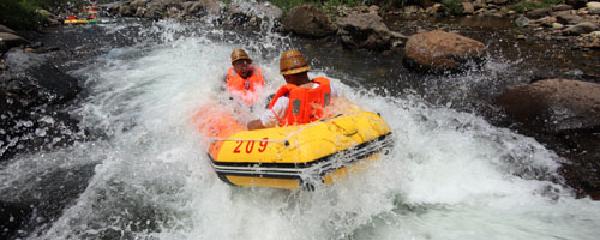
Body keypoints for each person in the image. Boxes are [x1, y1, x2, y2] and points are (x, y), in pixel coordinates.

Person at [247, 49, 338, 130]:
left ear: (286, 76)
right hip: (325, 130)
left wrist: (247, 125)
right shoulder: (330, 88)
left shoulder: (285, 101)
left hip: (298, 139)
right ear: (306, 71)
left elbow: (264, 123)